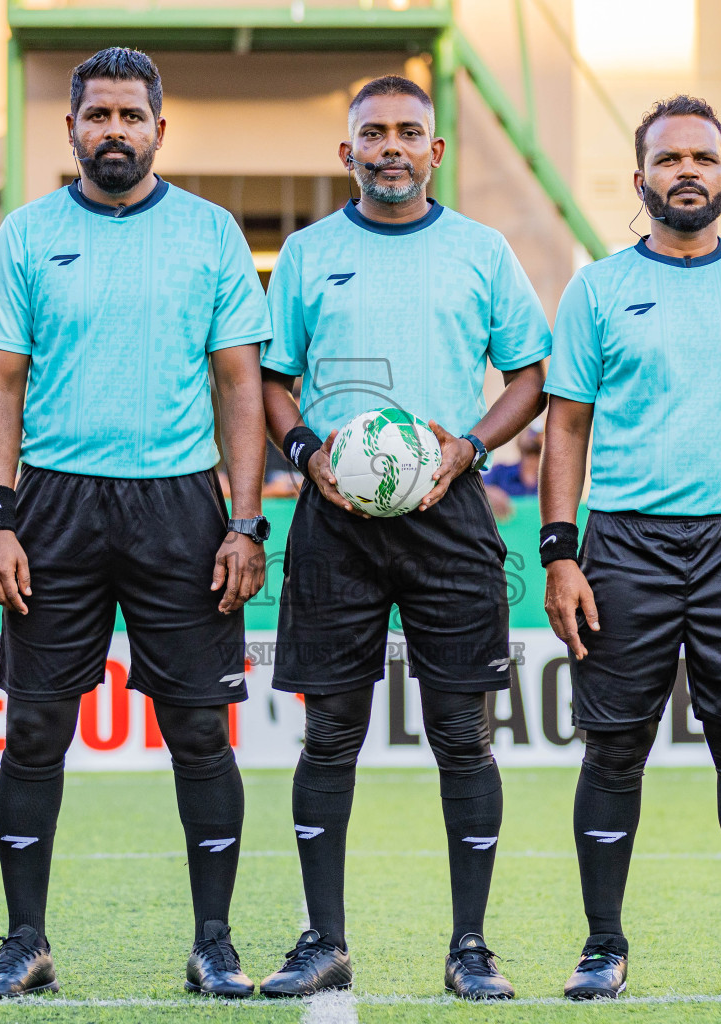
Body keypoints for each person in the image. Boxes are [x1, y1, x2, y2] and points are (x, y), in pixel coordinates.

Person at [0, 47, 270, 1000]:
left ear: (158, 130)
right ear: (70, 130)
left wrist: (247, 521)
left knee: (200, 729)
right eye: (96, 115)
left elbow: (239, 385)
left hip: (181, 505)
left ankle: (214, 943)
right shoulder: (26, 234)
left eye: (130, 116)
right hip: (53, 505)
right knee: (35, 727)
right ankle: (25, 942)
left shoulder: (211, 232)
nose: (113, 131)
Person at [257, 75, 551, 1001]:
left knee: (462, 735)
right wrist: (306, 454)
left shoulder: (481, 250)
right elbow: (271, 381)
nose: (392, 146)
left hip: (448, 512)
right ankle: (323, 939)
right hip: (334, 518)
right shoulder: (307, 254)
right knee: (329, 734)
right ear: (347, 152)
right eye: (374, 133)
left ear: (436, 150)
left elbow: (531, 375)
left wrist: (469, 448)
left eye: (409, 132)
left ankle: (471, 948)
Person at [541, 95, 721, 1000]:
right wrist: (559, 552)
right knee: (613, 750)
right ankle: (602, 947)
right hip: (624, 543)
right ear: (641, 179)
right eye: (669, 159)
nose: (687, 172)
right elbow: (566, 427)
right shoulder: (595, 289)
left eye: (702, 158)